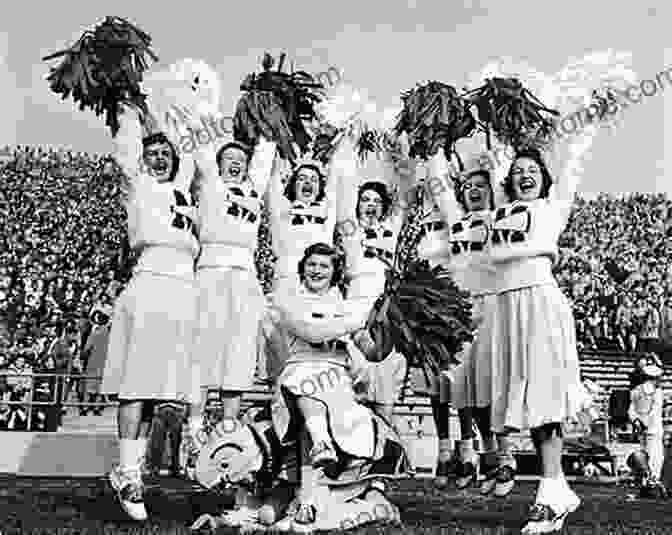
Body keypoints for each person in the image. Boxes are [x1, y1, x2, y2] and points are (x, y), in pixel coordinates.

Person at [254, 242, 407, 530]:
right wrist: (354, 321)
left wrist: (388, 326)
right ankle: (314, 462)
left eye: (324, 266)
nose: (317, 270)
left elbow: (370, 351)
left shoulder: (344, 305)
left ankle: (314, 493)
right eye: (311, 264)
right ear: (302, 268)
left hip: (336, 376)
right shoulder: (289, 299)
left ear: (335, 271)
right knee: (305, 384)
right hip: (298, 370)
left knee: (320, 394)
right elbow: (310, 331)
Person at [100, 102, 200, 521]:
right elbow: (126, 143)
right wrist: (127, 100)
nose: (159, 158)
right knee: (137, 386)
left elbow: (195, 148)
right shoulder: (139, 184)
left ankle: (160, 459)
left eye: (166, 153)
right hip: (150, 282)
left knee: (174, 388)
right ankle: (128, 471)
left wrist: (191, 108)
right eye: (152, 152)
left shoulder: (186, 193)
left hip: (185, 289)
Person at [486, 147, 590, 534]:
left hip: (540, 303)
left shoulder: (552, 207)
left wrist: (591, 116)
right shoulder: (499, 211)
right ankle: (557, 489)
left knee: (544, 401)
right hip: (508, 307)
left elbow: (573, 162)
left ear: (544, 178)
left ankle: (549, 497)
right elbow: (497, 154)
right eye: (517, 171)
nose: (524, 175)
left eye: (532, 170)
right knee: (529, 404)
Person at [185, 136, 276, 465]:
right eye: (230, 157)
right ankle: (193, 426)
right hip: (211, 267)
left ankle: (228, 425)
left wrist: (269, 122)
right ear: (218, 163)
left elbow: (265, 158)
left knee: (238, 350)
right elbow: (203, 146)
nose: (236, 162)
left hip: (245, 273)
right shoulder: (210, 184)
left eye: (241, 158)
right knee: (202, 347)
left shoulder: (254, 189)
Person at [627, 353, 667, 498]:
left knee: (645, 455)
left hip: (641, 430)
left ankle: (646, 483)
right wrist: (645, 423)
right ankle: (652, 484)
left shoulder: (636, 391)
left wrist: (637, 422)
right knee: (656, 457)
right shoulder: (657, 392)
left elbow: (631, 411)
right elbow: (655, 411)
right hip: (653, 429)